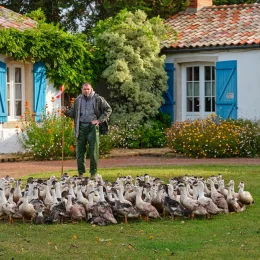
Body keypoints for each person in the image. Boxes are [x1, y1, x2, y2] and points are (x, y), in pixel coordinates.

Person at [63, 82, 112, 178]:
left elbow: (108, 109)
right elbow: (73, 113)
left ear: (91, 89)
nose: (86, 91)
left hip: (92, 127)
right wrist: (65, 111)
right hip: (80, 127)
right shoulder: (78, 100)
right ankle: (81, 173)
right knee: (80, 151)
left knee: (93, 151)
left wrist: (99, 120)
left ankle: (93, 173)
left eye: (88, 89)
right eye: (84, 89)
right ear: (82, 90)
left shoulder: (98, 99)